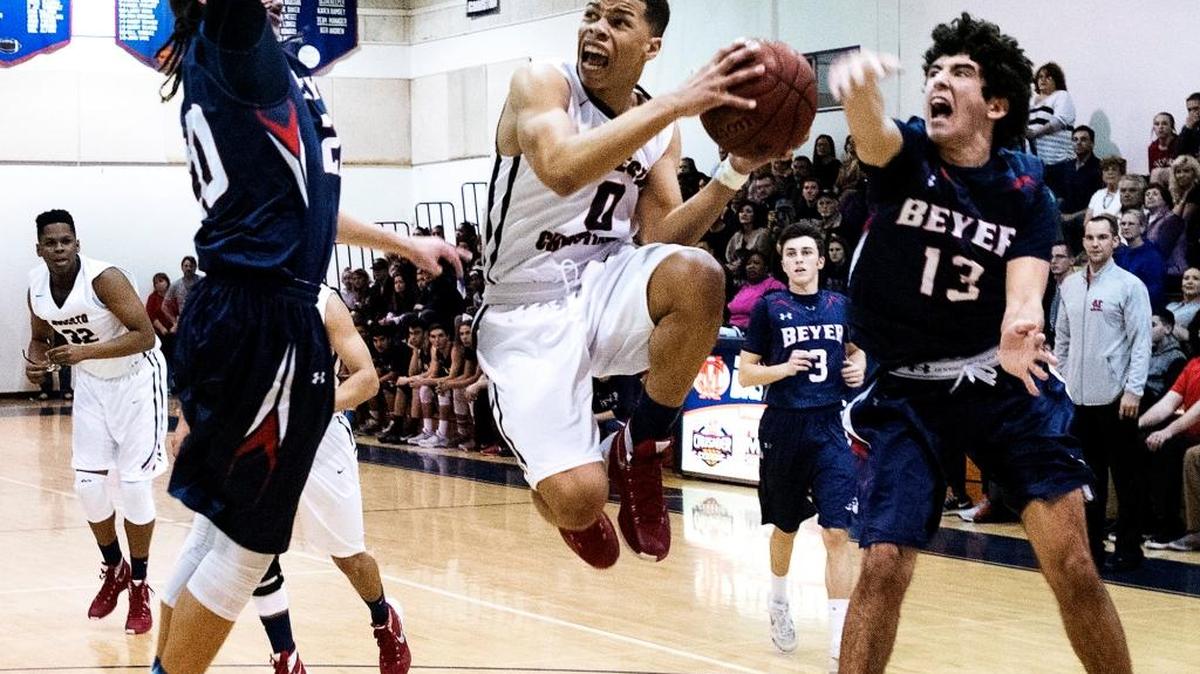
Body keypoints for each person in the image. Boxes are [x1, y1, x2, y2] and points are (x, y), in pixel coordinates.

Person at [152, 2, 461, 673]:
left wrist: (401, 242)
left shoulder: (248, 60)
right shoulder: (236, 41)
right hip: (263, 319)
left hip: (247, 311)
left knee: (223, 535)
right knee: (245, 548)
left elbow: (309, 203)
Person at [828, 14, 1131, 673]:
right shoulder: (908, 157)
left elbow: (1024, 289)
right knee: (883, 563)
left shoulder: (1026, 189)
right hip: (907, 384)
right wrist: (855, 91)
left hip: (1001, 379)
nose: (939, 79)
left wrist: (1022, 324)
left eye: (958, 72)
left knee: (1076, 565)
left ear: (996, 104)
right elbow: (873, 136)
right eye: (934, 72)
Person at [475, 0, 785, 569]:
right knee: (578, 499)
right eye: (591, 14)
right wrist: (674, 105)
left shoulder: (658, 129)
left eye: (619, 20)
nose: (596, 28)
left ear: (652, 46)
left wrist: (734, 171)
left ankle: (640, 444)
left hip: (602, 285)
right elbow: (562, 167)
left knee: (699, 275)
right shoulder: (542, 84)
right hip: (525, 308)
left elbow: (665, 234)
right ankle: (571, 498)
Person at [248, 286, 410, 673]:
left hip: (319, 437)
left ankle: (384, 618)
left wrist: (311, 405)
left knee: (348, 555)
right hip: (258, 437)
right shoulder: (233, 295)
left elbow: (367, 379)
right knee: (254, 550)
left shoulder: (322, 301)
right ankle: (285, 655)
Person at [25, 209, 168, 636]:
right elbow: (40, 336)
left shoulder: (104, 279)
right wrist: (35, 361)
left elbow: (146, 335)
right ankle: (115, 568)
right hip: (92, 387)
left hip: (137, 381)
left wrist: (82, 354)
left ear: (77, 243)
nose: (59, 248)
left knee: (135, 487)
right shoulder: (36, 284)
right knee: (87, 486)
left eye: (66, 240)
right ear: (39, 249)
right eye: (51, 243)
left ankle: (140, 585)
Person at [737, 224, 864, 670]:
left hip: (829, 426)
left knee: (837, 533)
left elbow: (857, 350)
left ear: (820, 260)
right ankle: (777, 600)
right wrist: (784, 367)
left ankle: (838, 640)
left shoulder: (840, 305)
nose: (799, 259)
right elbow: (746, 373)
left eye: (807, 252)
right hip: (783, 427)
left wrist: (858, 366)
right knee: (786, 527)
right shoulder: (769, 308)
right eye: (791, 254)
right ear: (784, 262)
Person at [1056, 214, 1152, 571]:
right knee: (1088, 478)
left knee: (1126, 478)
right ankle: (1091, 547)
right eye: (1090, 237)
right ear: (1083, 241)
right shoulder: (1069, 286)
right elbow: (1062, 339)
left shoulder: (1129, 286)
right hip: (1078, 398)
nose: (1095, 243)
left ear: (1115, 242)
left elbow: (1140, 342)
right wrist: (1062, 383)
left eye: (1102, 237)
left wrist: (1134, 390)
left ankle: (1129, 547)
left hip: (1116, 398)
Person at [1113, 208, 1166, 309]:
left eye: (1131, 224)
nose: (1126, 227)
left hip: (1143, 308)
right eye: (1123, 224)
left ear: (1142, 228)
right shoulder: (1121, 253)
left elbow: (1154, 291)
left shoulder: (1152, 256)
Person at [1026, 62, 1074, 163]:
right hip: (1035, 161)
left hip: (1057, 162)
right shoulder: (1030, 101)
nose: (1043, 79)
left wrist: (1035, 133)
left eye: (1048, 77)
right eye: (1040, 77)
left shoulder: (1061, 96)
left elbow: (1059, 122)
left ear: (1056, 80)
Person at [726, 251, 786, 330]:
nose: (751, 266)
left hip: (753, 332)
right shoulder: (743, 288)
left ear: (765, 268)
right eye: (748, 264)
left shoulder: (774, 286)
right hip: (731, 328)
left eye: (756, 263)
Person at [1083, 156, 1125, 225]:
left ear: (1121, 174)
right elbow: (1086, 222)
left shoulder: (1124, 194)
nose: (1110, 173)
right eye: (1106, 170)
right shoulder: (1097, 194)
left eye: (1114, 169)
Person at [162, 255, 201, 328]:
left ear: (195, 267)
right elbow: (164, 306)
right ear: (182, 267)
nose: (188, 268)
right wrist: (174, 321)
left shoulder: (203, 283)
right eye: (186, 266)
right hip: (184, 323)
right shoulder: (176, 285)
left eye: (191, 266)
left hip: (201, 322)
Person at [1167, 267, 1200, 343]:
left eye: (1196, 279)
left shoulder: (1198, 309)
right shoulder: (1171, 305)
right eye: (1186, 278)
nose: (1190, 282)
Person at [1149, 112, 1180, 183]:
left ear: (1171, 127)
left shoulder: (1180, 143)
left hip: (1179, 180)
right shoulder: (1152, 148)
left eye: (1164, 124)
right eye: (1157, 124)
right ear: (1153, 128)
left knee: (1157, 173)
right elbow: (1151, 172)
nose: (1160, 127)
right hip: (1160, 186)